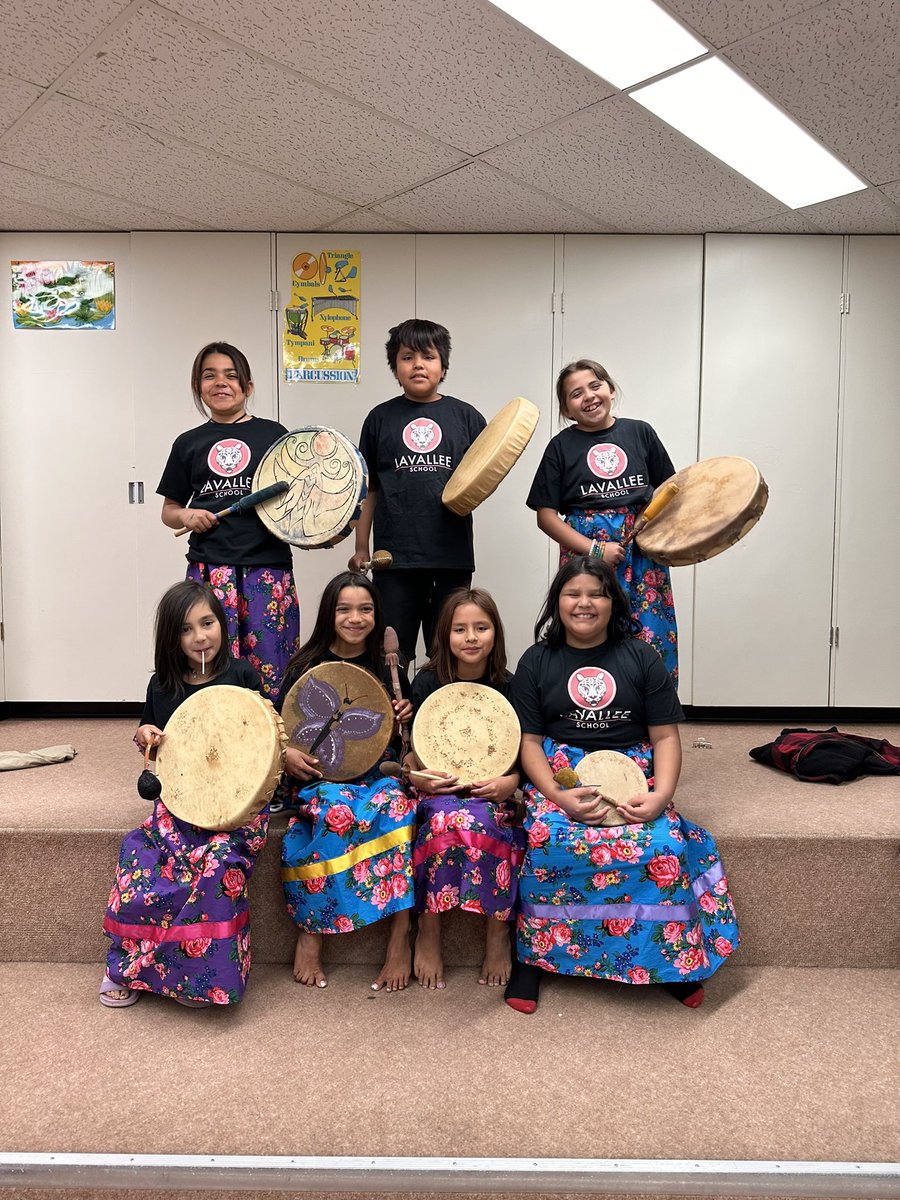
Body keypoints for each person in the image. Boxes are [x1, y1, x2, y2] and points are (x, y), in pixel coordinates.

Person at [505, 558, 739, 1015]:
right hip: (561, 773)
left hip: (630, 770)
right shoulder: (536, 660)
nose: (584, 603)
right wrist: (555, 795)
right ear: (557, 602)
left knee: (663, 844)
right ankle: (533, 958)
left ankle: (673, 961)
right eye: (573, 594)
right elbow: (528, 743)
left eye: (597, 593)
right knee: (547, 839)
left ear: (614, 602)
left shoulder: (641, 656)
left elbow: (665, 736)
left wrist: (661, 796)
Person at [100, 581, 269, 1009]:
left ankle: (197, 974)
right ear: (172, 639)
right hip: (177, 805)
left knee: (214, 862)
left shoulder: (243, 676)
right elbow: (150, 735)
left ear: (222, 624)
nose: (200, 636)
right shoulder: (162, 685)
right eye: (187, 629)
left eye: (208, 623)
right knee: (138, 852)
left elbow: (264, 743)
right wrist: (145, 735)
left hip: (237, 807)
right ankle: (127, 965)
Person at [276, 571, 416, 992]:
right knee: (337, 811)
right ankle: (311, 932)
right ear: (328, 614)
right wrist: (287, 755)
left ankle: (399, 937)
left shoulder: (389, 668)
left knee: (395, 807)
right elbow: (279, 729)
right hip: (323, 775)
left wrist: (404, 717)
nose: (356, 618)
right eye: (344, 609)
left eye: (366, 609)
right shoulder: (306, 666)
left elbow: (398, 743)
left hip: (379, 774)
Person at [158, 341, 299, 702]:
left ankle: (271, 744)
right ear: (198, 387)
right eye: (210, 376)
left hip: (266, 565)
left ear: (247, 386)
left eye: (231, 375)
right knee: (209, 662)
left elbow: (294, 500)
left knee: (270, 662)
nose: (220, 383)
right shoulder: (188, 443)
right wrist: (188, 515)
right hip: (210, 569)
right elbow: (169, 511)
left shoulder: (273, 435)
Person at [526, 359, 679, 684]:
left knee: (649, 631)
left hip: (641, 553)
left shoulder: (640, 432)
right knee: (589, 630)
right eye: (576, 393)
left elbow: (670, 491)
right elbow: (546, 516)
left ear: (610, 389)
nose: (589, 396)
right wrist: (596, 551)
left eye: (595, 386)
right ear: (567, 409)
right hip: (587, 555)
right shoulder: (561, 447)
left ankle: (652, 716)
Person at [349, 319, 486, 672]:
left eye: (428, 356)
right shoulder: (379, 418)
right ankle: (399, 724)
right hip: (394, 560)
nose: (418, 365)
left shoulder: (466, 417)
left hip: (450, 555)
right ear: (395, 367)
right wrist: (361, 548)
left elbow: (484, 477)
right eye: (407, 357)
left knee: (450, 654)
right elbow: (370, 490)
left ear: (443, 366)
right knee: (393, 655)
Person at [405, 588, 525, 990]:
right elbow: (411, 754)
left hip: (492, 794)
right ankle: (430, 928)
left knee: (492, 827)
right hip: (439, 793)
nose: (471, 637)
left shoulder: (511, 686)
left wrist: (512, 783)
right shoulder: (425, 682)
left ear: (496, 634)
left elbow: (524, 757)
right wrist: (416, 776)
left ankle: (496, 933)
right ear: (444, 635)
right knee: (441, 822)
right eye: (460, 629)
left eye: (481, 627)